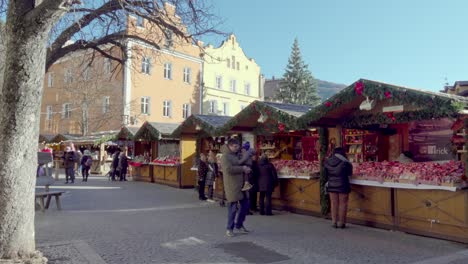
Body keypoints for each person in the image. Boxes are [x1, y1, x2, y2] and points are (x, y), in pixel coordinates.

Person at [221, 138, 252, 237]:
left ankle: (239, 224)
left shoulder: (237, 154)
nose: (237, 148)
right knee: (233, 208)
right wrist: (242, 168)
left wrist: (246, 156)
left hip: (242, 185)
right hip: (232, 185)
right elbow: (228, 169)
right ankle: (229, 229)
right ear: (230, 146)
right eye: (235, 146)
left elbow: (247, 162)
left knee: (246, 205)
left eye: (238, 146)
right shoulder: (225, 156)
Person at [325, 147, 353, 229]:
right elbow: (350, 174)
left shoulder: (328, 161)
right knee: (343, 204)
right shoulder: (345, 162)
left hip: (331, 185)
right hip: (343, 185)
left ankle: (334, 222)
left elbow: (326, 174)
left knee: (333, 203)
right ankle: (341, 223)